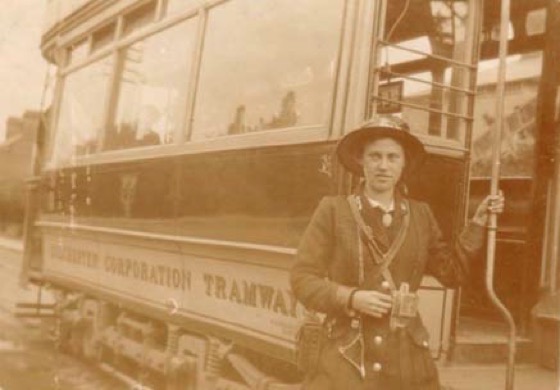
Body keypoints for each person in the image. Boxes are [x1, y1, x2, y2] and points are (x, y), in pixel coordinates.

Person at [290, 115, 505, 389]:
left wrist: (478, 224)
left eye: (393, 157)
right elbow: (302, 279)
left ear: (404, 164)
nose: (383, 165)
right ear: (360, 161)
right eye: (374, 156)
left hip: (408, 360)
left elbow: (452, 274)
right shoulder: (333, 210)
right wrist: (351, 297)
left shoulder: (421, 215)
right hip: (346, 357)